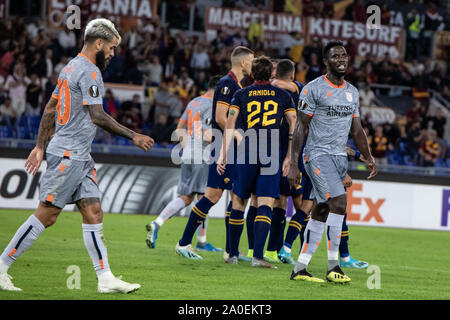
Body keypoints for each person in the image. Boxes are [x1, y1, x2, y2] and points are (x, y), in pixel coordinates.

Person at [0, 18, 154, 293]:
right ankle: (1, 267)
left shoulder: (69, 67)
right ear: (98, 43)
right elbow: (97, 115)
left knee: (93, 212)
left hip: (80, 157)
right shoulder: (90, 72)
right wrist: (134, 135)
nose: (112, 53)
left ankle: (105, 278)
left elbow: (50, 108)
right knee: (47, 215)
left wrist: (39, 147)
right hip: (69, 154)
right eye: (111, 47)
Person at [287, 40, 377, 283]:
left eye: (344, 55)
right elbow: (300, 128)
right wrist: (294, 162)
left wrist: (367, 157)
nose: (342, 59)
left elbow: (356, 130)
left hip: (339, 158)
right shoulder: (313, 89)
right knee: (339, 202)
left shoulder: (352, 92)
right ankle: (334, 266)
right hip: (316, 155)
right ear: (325, 61)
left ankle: (300, 268)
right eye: (336, 56)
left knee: (322, 210)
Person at [175, 46, 254, 260]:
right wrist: (237, 134)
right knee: (213, 195)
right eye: (252, 60)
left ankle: (231, 252)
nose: (253, 65)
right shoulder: (227, 84)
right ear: (244, 63)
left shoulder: (237, 85)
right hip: (223, 146)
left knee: (235, 196)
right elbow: (220, 117)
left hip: (229, 147)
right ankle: (183, 243)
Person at [217, 56, 297, 268]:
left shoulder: (240, 94)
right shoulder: (283, 95)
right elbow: (293, 123)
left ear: (252, 74)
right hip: (271, 152)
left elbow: (230, 123)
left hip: (247, 150)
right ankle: (257, 257)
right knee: (266, 203)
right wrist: (290, 156)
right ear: (270, 75)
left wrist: (223, 155)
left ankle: (233, 254)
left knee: (239, 202)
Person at [146, 76, 222, 252]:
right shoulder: (213, 106)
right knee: (205, 197)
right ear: (218, 89)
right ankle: (201, 241)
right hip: (202, 154)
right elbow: (206, 134)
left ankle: (157, 223)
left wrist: (188, 147)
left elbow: (180, 128)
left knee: (186, 197)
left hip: (188, 152)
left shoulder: (194, 102)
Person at [262, 59, 306, 264]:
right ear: (292, 74)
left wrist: (271, 81)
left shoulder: (270, 90)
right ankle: (292, 250)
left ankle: (273, 250)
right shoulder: (300, 90)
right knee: (303, 204)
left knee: (279, 202)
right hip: (294, 152)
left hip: (272, 151)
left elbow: (280, 83)